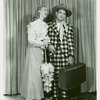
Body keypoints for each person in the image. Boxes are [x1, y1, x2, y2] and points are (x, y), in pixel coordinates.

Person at [20, 6, 50, 100]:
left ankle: (38, 96)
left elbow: (46, 37)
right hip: (33, 50)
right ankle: (31, 96)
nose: (46, 12)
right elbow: (31, 40)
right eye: (44, 10)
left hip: (42, 51)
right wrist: (42, 42)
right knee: (33, 73)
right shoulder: (33, 24)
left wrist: (46, 41)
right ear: (39, 11)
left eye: (47, 10)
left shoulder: (46, 25)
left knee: (41, 72)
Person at [47, 4, 74, 100]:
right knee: (54, 75)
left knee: (64, 76)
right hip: (53, 54)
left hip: (65, 55)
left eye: (64, 14)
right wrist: (49, 45)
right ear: (56, 13)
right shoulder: (49, 26)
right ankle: (55, 95)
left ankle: (64, 95)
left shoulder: (69, 27)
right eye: (60, 13)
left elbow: (70, 41)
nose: (62, 15)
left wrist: (71, 55)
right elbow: (44, 39)